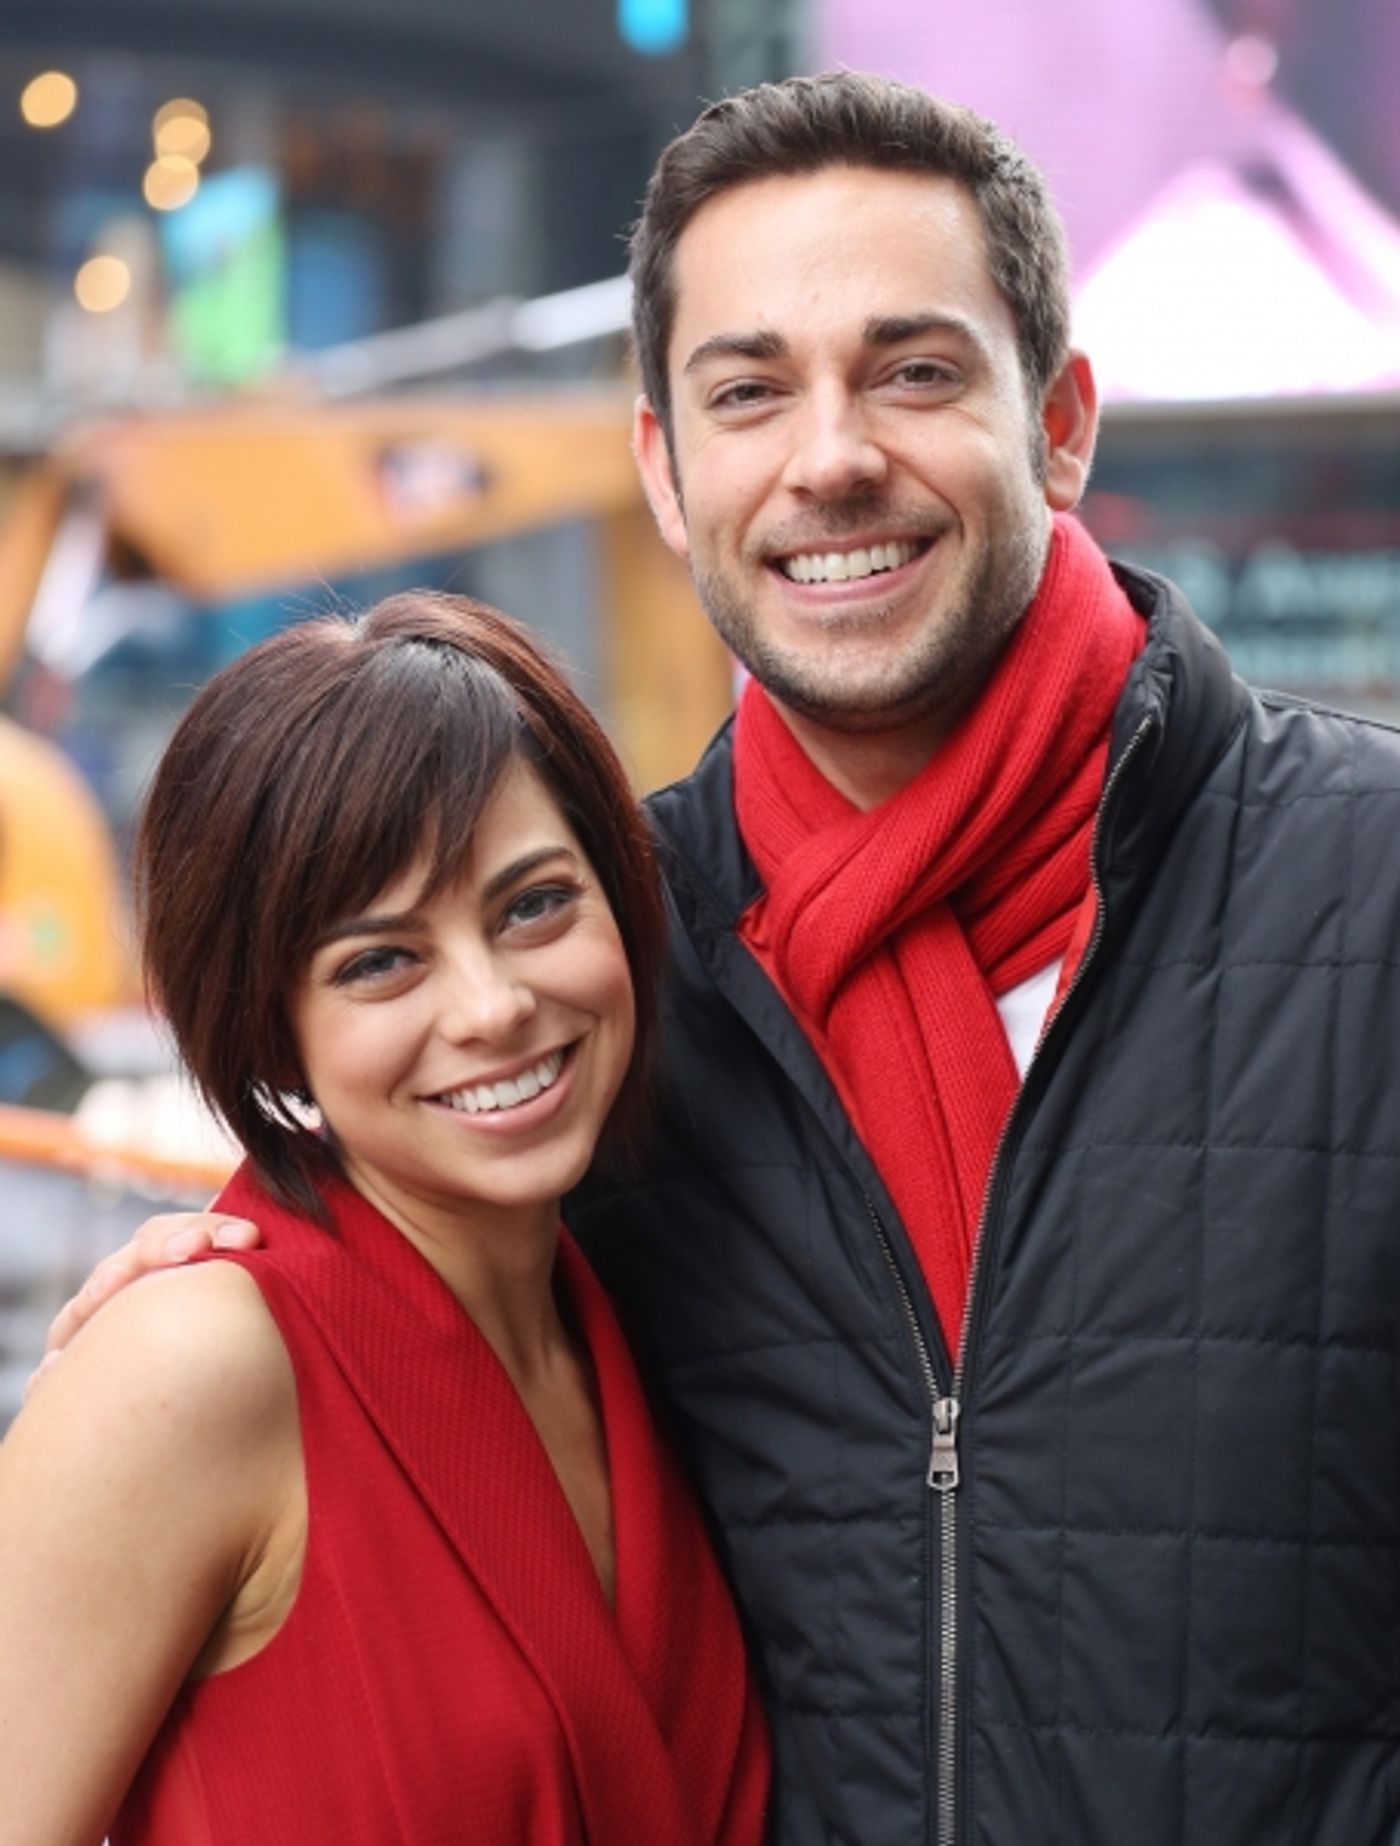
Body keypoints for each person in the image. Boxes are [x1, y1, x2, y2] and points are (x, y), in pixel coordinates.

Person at [41, 71, 1400, 1844]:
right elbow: (399, 1261)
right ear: (665, 474)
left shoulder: (1364, 886)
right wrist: (220, 1270)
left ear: (1061, 421)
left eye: (912, 371)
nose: (828, 454)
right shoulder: (628, 963)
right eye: (749, 391)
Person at [0, 593, 770, 1844]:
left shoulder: (650, 1307)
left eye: (533, 905)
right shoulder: (196, 1367)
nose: (491, 1005)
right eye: (379, 961)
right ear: (272, 1031)